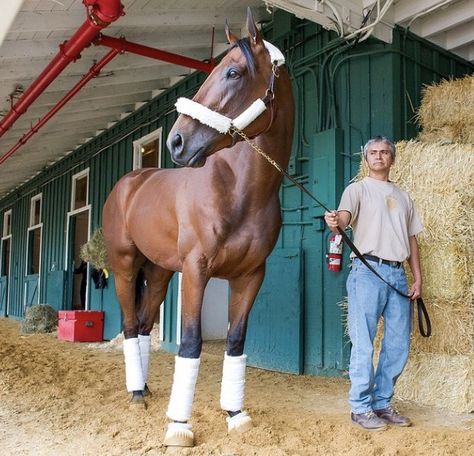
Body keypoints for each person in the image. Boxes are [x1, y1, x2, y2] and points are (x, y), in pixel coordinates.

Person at [324, 136, 423, 431]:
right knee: (364, 344)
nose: (379, 157)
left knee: (398, 345)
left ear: (392, 159)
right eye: (373, 153)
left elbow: (412, 240)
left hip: (397, 275)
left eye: (384, 153)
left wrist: (417, 278)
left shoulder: (404, 196)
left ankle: (381, 402)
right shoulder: (357, 190)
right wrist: (335, 222)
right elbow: (343, 218)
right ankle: (360, 407)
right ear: (366, 160)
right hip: (367, 272)